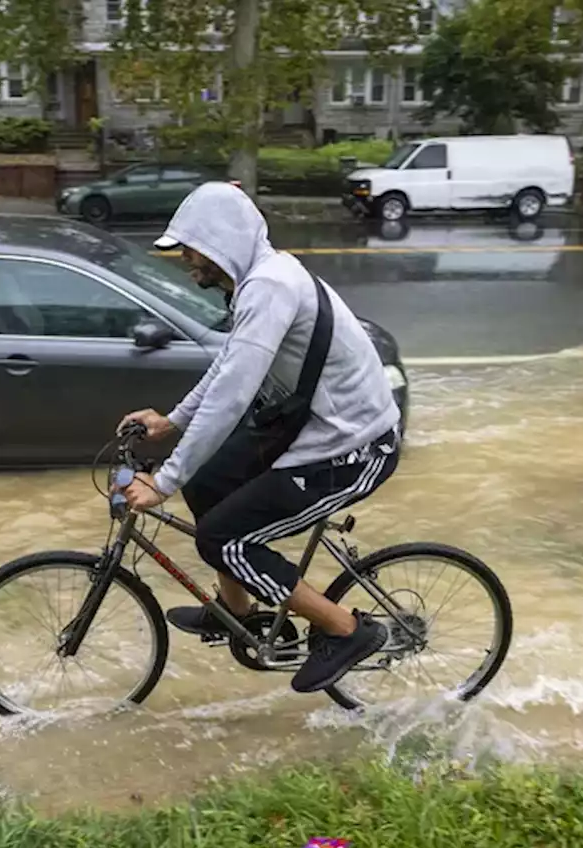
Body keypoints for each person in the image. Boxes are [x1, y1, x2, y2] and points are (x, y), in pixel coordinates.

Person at [118, 181, 402, 694]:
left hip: (352, 449)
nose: (186, 260)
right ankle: (238, 612)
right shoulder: (256, 283)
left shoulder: (269, 286)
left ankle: (346, 629)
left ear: (222, 242)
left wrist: (162, 481)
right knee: (205, 483)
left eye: (191, 248)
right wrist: (172, 422)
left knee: (222, 539)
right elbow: (230, 364)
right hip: (311, 432)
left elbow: (231, 396)